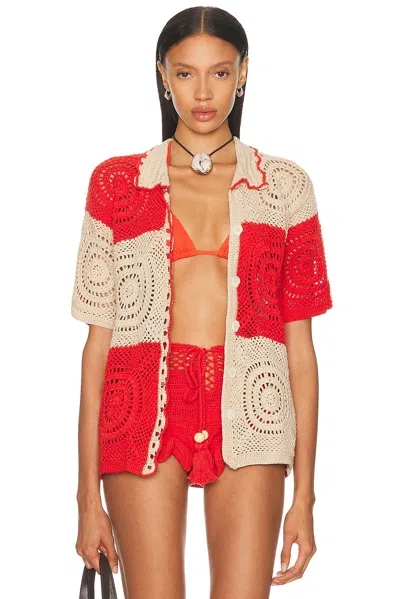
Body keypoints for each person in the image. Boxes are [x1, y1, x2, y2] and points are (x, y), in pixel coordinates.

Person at [72, 6, 333, 599]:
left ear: (243, 73)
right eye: (185, 73)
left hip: (254, 406)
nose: (203, 93)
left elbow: (301, 352)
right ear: (163, 75)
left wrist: (305, 497)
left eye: (220, 72)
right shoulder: (116, 184)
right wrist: (87, 499)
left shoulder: (286, 187)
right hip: (141, 407)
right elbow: (96, 352)